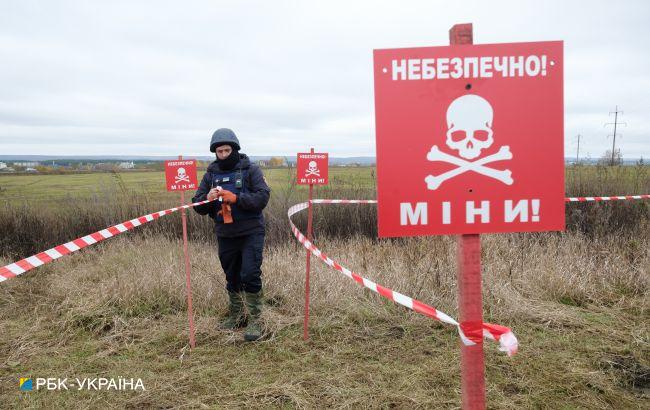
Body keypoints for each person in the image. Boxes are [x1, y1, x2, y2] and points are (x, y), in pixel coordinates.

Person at [192, 128, 271, 341]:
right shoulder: (211, 174)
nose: (224, 154)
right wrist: (207, 198)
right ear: (215, 152)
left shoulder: (250, 169)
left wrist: (236, 198)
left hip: (251, 232)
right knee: (232, 275)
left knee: (250, 273)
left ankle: (256, 319)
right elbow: (197, 205)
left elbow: (262, 198)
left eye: (227, 150)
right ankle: (237, 315)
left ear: (235, 149)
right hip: (225, 233)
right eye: (220, 151)